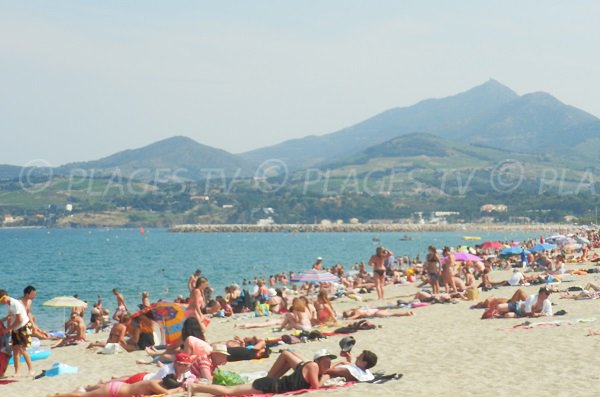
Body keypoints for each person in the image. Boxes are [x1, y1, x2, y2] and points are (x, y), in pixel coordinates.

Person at [187, 349, 335, 396]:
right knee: (229, 391)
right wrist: (327, 376)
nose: (328, 365)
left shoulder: (309, 367)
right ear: (319, 360)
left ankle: (196, 387)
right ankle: (195, 387)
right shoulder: (313, 367)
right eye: (326, 362)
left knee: (230, 391)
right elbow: (315, 388)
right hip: (269, 385)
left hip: (271, 384)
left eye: (330, 362)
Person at [0, 289, 34, 376]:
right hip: (16, 328)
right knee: (15, 350)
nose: (1, 303)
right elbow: (10, 316)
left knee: (22, 349)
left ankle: (31, 369)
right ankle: (17, 372)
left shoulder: (14, 304)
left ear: (4, 297)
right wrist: (3, 320)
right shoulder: (9, 304)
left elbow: (20, 320)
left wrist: (8, 329)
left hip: (23, 326)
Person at [50, 376, 183, 396]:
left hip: (118, 387)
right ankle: (57, 396)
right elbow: (167, 393)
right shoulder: (153, 384)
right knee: (84, 396)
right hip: (114, 390)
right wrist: (178, 388)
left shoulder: (156, 380)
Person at [342, 307, 414, 319]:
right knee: (392, 314)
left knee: (392, 314)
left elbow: (353, 317)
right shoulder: (356, 311)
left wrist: (347, 318)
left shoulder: (356, 312)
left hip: (376, 313)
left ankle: (406, 313)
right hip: (376, 312)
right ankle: (407, 313)